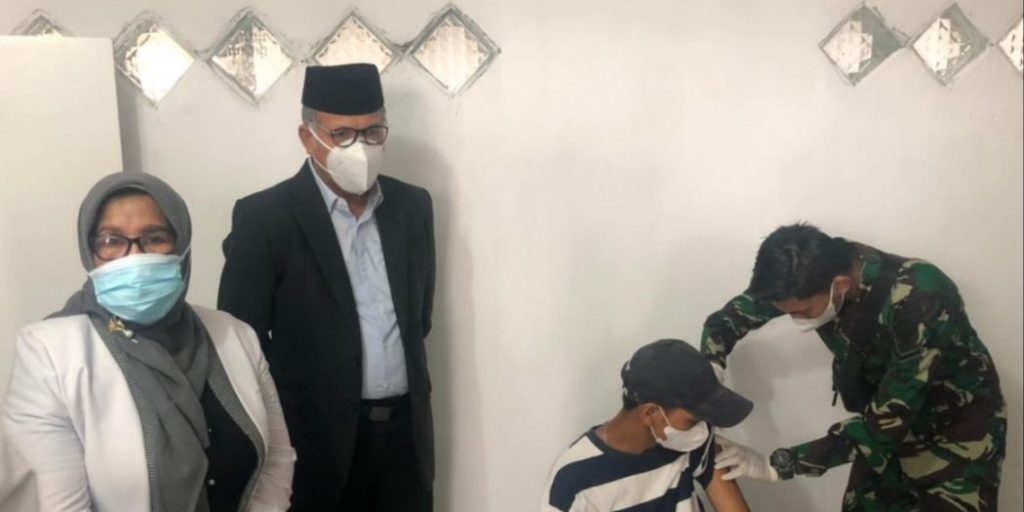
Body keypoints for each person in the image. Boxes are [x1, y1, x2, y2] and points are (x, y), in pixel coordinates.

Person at [2, 173, 296, 512]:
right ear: (89, 252)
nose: (134, 256)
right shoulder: (49, 353)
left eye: (154, 238)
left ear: (181, 245)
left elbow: (276, 458)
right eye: (111, 240)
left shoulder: (234, 335)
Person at [218, 63, 436, 511]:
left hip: (403, 439)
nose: (361, 148)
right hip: (315, 444)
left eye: (372, 132)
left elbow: (420, 316)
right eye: (342, 135)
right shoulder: (266, 218)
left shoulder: (412, 207)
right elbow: (242, 341)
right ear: (308, 137)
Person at [703, 223, 1005, 511]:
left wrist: (778, 465)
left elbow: (888, 419)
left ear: (841, 286)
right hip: (882, 427)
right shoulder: (804, 274)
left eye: (803, 312)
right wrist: (710, 369)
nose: (796, 320)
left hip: (957, 430)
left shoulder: (920, 296)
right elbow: (725, 321)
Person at [542, 339, 753, 512]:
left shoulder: (688, 442)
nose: (703, 428)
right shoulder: (574, 480)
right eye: (694, 418)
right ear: (651, 413)